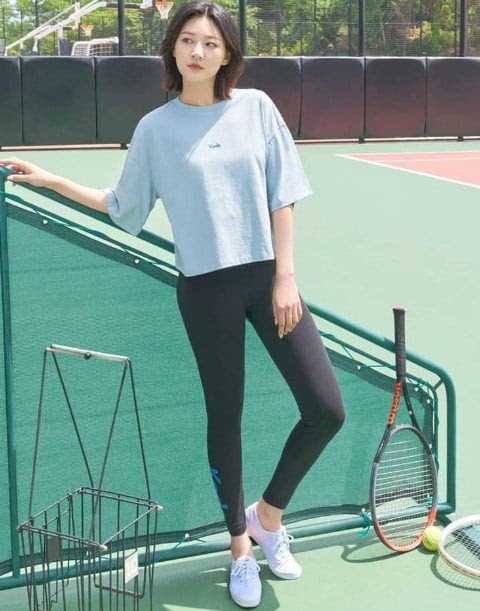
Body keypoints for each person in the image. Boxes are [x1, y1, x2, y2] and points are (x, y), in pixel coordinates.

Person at [0, 2, 344, 608]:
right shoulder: (156, 129)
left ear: (227, 54)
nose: (197, 51)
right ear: (173, 51)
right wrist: (51, 179)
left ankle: (268, 516)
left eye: (210, 43)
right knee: (226, 416)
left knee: (326, 407)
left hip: (267, 280)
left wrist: (285, 277)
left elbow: (282, 194)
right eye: (187, 40)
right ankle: (240, 548)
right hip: (204, 290)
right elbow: (121, 205)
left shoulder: (256, 108)